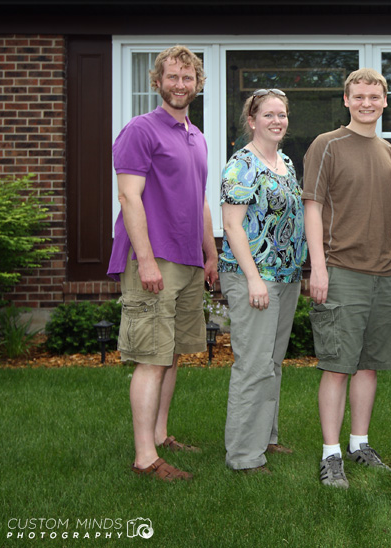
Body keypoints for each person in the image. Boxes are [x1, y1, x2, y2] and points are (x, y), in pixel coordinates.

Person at [107, 46, 218, 481]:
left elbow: (201, 202)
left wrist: (209, 254)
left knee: (170, 354)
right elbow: (128, 196)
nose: (179, 84)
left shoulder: (197, 135)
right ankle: (144, 457)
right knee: (151, 358)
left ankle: (160, 433)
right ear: (157, 82)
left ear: (197, 84)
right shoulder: (141, 130)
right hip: (154, 260)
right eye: (171, 76)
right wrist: (147, 261)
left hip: (188, 260)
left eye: (187, 78)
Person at [303, 68, 391, 489]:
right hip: (340, 269)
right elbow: (312, 207)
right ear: (346, 100)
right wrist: (319, 267)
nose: (366, 103)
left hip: (382, 272)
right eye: (358, 96)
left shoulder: (387, 151)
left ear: (384, 101)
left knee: (369, 366)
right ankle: (331, 456)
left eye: (374, 97)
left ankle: (360, 444)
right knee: (338, 366)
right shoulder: (328, 145)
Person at [218, 89, 307, 474]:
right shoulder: (242, 165)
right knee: (253, 365)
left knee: (272, 362)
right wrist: (254, 279)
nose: (277, 120)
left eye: (282, 114)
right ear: (251, 120)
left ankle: (265, 438)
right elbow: (231, 226)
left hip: (285, 277)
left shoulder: (284, 161)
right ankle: (243, 455)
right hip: (252, 277)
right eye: (268, 114)